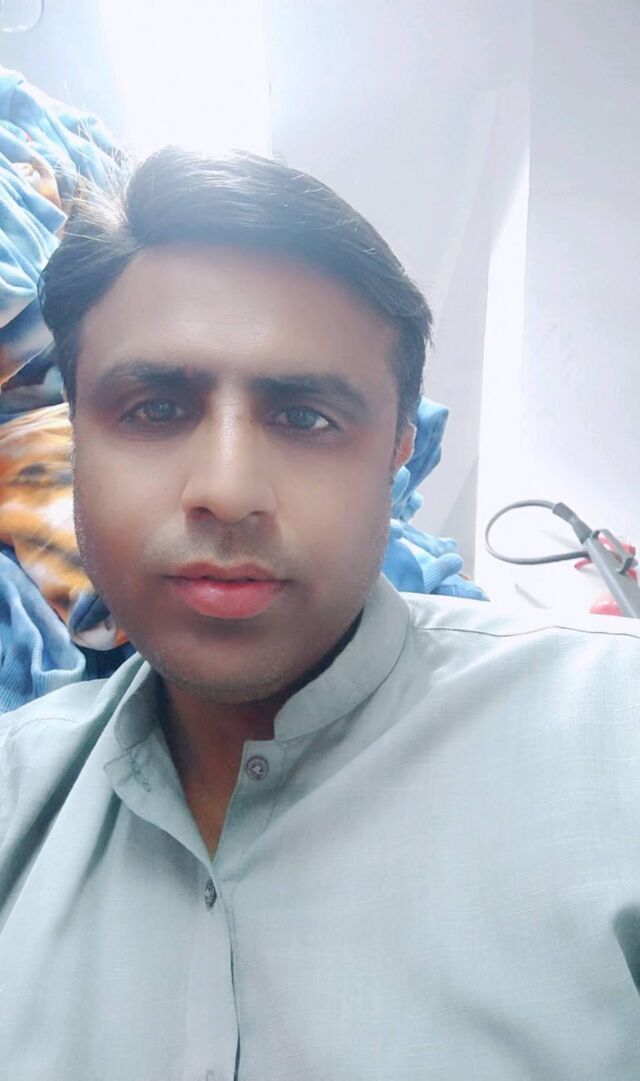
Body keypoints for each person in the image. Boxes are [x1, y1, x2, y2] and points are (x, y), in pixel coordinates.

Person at [1, 148, 639, 1081]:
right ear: (76, 445)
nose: (227, 490)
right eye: (154, 408)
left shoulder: (618, 738)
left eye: (304, 418)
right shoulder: (15, 798)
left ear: (397, 454)